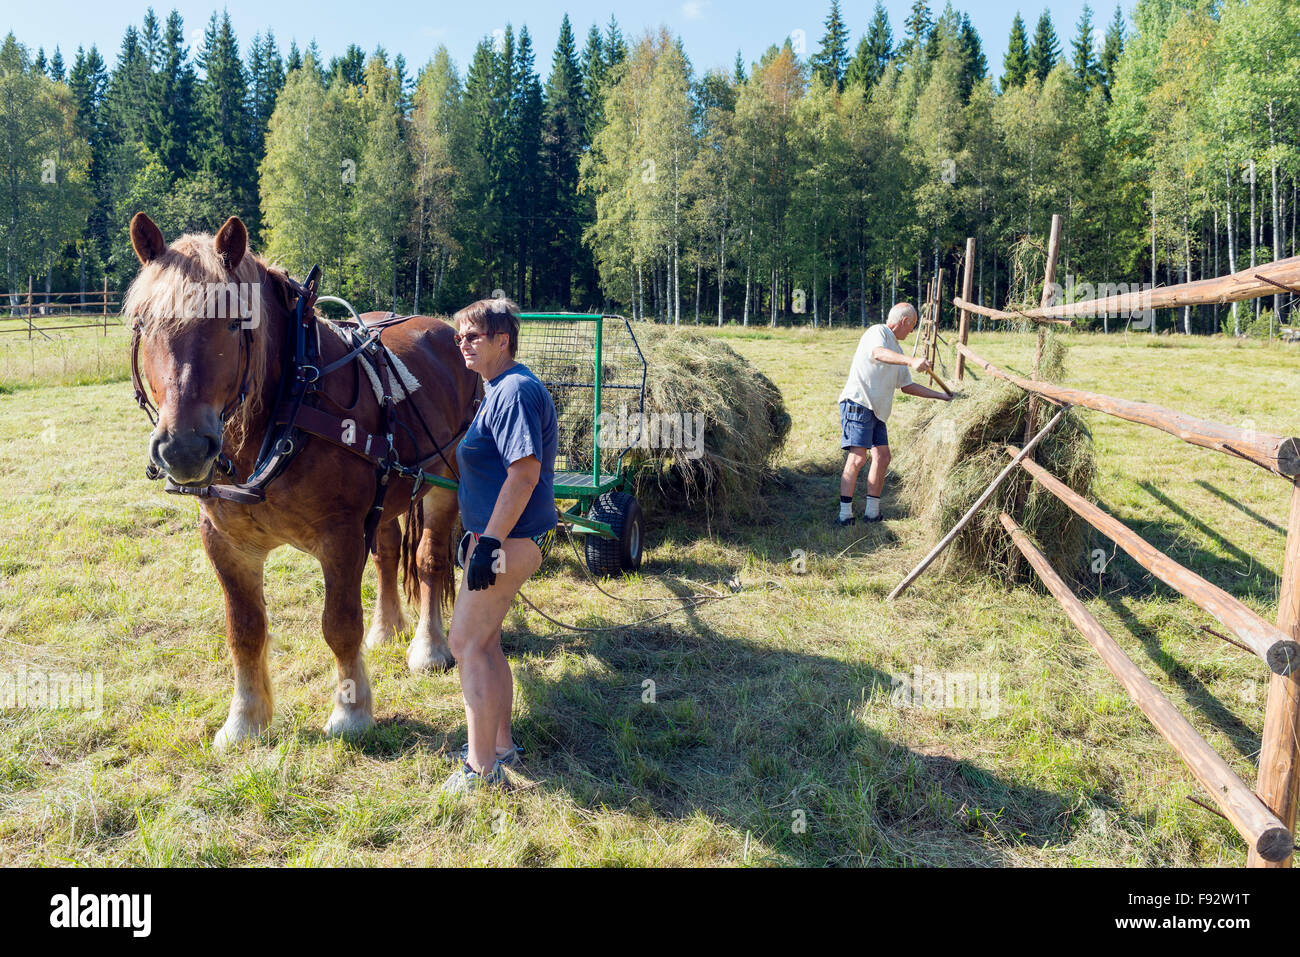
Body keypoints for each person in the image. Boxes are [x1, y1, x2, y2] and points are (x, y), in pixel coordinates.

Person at [442, 298, 558, 793]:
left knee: (465, 644)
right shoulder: (499, 389)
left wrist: (488, 542)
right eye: (458, 337)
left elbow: (525, 472)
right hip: (506, 540)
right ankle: (501, 746)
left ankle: (480, 770)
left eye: (472, 337)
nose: (461, 345)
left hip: (507, 543)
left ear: (501, 340)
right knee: (486, 642)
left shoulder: (512, 392)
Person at [837, 302, 951, 526]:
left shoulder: (897, 350)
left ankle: (872, 513)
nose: (911, 330)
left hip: (878, 411)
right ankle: (844, 515)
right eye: (912, 325)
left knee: (883, 456)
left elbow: (907, 386)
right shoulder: (877, 332)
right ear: (904, 321)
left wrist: (942, 396)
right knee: (858, 458)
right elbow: (878, 354)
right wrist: (911, 360)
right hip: (859, 403)